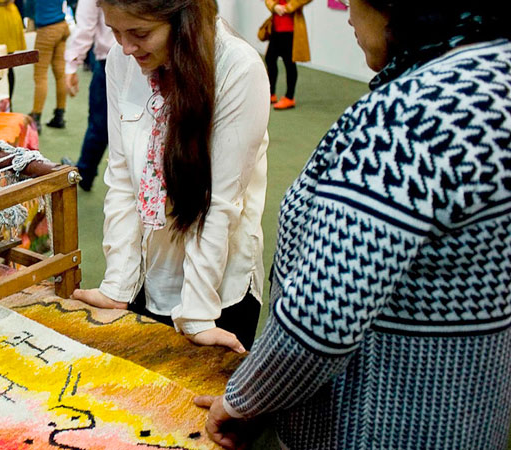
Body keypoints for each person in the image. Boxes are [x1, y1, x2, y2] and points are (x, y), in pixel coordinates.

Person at [194, 0, 511, 448]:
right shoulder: (494, 75)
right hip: (468, 408)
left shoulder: (410, 117)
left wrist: (245, 399)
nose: (347, 16)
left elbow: (321, 315)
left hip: (382, 419)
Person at [70, 0, 270, 352]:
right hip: (149, 275)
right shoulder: (122, 61)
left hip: (216, 291)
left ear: (183, 21)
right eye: (115, 31)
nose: (125, 47)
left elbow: (219, 206)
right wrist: (118, 285)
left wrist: (197, 313)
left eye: (140, 33)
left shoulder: (237, 68)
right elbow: (121, 180)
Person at [61, 0, 114, 192]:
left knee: (100, 124)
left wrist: (72, 65)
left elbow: (86, 26)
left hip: (111, 61)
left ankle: (86, 172)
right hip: (154, 58)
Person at [29, 0, 70, 132]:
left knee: (40, 76)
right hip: (62, 26)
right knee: (60, 74)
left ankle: (36, 117)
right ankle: (59, 115)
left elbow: (29, 6)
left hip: (46, 30)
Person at [263, 0, 311, 110]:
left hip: (290, 29)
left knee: (289, 62)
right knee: (270, 59)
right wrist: (275, 7)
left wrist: (288, 7)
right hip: (276, 27)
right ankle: (271, 93)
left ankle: (289, 97)